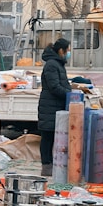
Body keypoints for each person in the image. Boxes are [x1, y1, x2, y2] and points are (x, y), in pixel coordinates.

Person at [38, 38, 72, 176]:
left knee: (53, 137)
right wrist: (70, 95)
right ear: (60, 50)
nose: (68, 53)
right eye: (67, 51)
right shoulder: (52, 65)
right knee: (47, 137)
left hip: (55, 106)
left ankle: (52, 166)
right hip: (50, 106)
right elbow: (54, 87)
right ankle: (46, 167)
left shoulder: (57, 64)